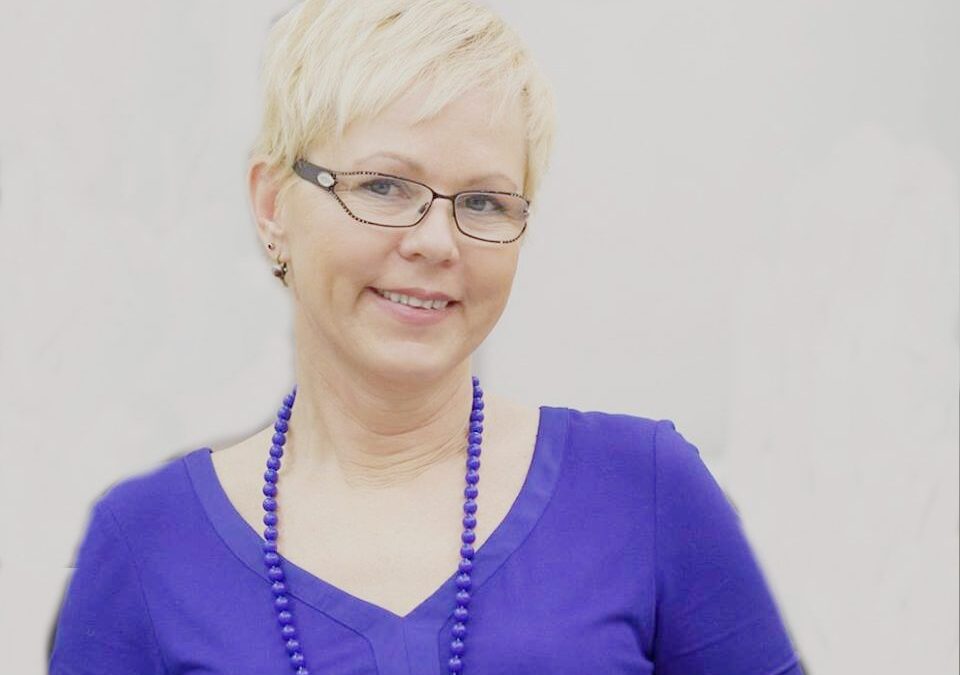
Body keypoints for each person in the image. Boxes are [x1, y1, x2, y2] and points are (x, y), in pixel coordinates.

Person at [48, 1, 805, 673]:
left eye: (484, 201)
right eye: (383, 186)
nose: (438, 242)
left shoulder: (644, 493)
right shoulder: (147, 545)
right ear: (273, 204)